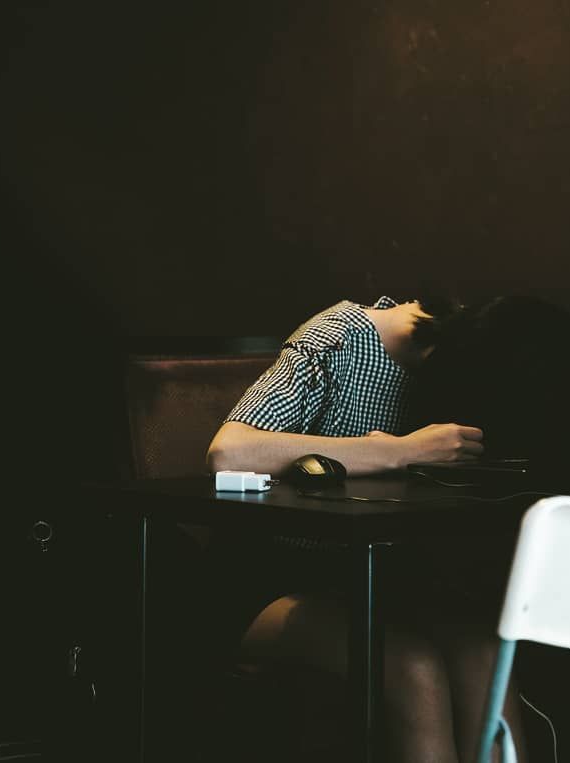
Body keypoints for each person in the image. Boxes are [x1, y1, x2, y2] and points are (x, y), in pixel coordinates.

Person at [206, 295, 529, 763]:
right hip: (267, 579)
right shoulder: (339, 337)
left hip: (376, 579)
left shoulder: (469, 355)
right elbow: (228, 452)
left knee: (486, 654)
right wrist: (402, 451)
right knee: (411, 667)